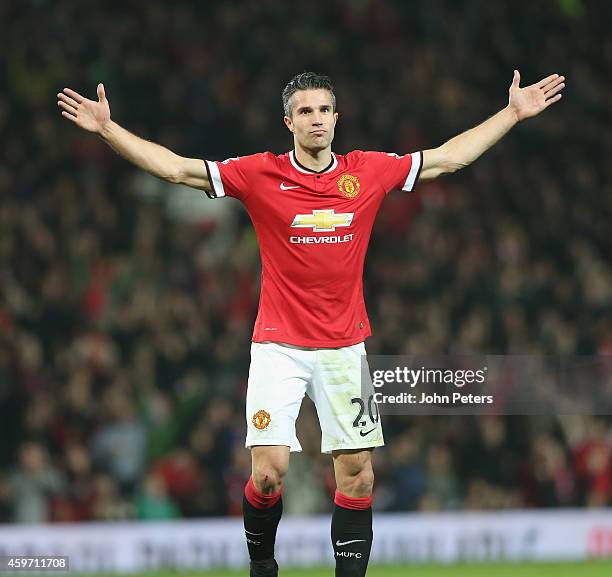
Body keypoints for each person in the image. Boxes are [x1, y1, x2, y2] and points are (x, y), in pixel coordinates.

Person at [58, 69, 565, 576]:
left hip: (347, 349)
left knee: (359, 476)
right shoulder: (259, 173)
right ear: (289, 122)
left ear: (337, 118)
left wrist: (512, 113)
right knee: (270, 473)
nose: (316, 119)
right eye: (305, 111)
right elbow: (176, 170)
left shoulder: (368, 170)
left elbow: (449, 158)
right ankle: (263, 567)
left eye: (324, 110)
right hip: (277, 346)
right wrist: (108, 129)